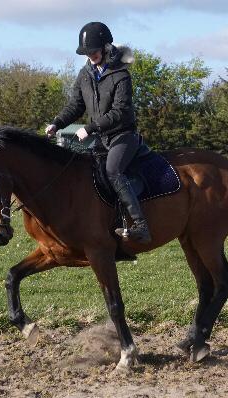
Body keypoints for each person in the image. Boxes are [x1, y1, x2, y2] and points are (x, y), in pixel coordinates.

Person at [45, 22, 151, 244]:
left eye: (93, 50)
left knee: (113, 171)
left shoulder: (121, 75)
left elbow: (120, 112)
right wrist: (57, 123)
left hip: (123, 136)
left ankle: (140, 225)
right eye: (87, 52)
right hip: (101, 138)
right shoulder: (85, 75)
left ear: (106, 47)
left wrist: (90, 128)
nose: (91, 55)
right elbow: (75, 105)